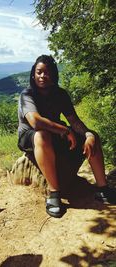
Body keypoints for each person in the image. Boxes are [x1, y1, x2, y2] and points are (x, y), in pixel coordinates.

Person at [17, 55, 116, 218]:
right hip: (30, 135)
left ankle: (102, 189)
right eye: (39, 72)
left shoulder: (60, 94)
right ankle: (54, 195)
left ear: (54, 75)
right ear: (33, 75)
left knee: (93, 137)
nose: (42, 76)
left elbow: (74, 121)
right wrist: (66, 131)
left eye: (47, 72)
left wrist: (88, 134)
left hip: (55, 132)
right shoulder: (27, 95)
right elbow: (35, 122)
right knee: (42, 135)